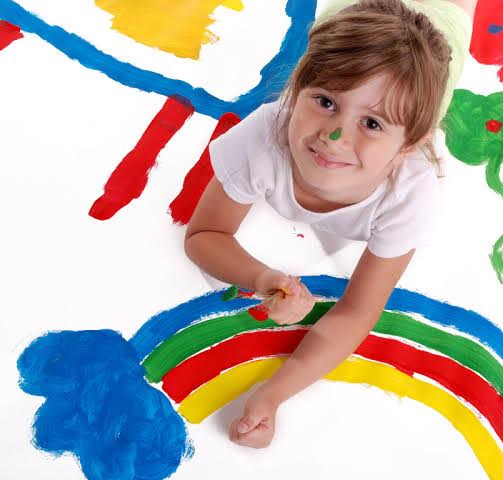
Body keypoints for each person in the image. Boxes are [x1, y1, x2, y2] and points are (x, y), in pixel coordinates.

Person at [184, 0, 476, 449]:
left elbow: (358, 312)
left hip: (444, 17)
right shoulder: (263, 137)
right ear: (297, 88)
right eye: (325, 102)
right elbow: (205, 236)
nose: (335, 136)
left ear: (408, 145)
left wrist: (273, 395)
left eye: (372, 123)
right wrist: (261, 278)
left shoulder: (410, 195)